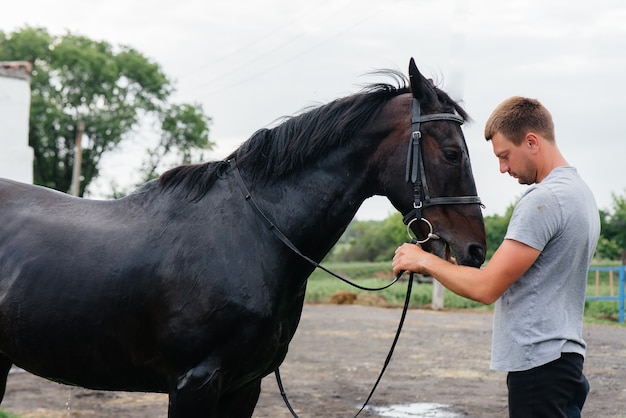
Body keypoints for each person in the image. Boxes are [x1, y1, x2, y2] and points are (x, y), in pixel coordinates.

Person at [392, 96, 600, 418]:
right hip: (564, 360)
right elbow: (513, 276)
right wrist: (447, 266)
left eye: (505, 156)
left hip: (538, 365)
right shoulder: (580, 194)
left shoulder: (543, 200)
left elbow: (486, 288)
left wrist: (422, 260)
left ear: (531, 141)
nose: (504, 169)